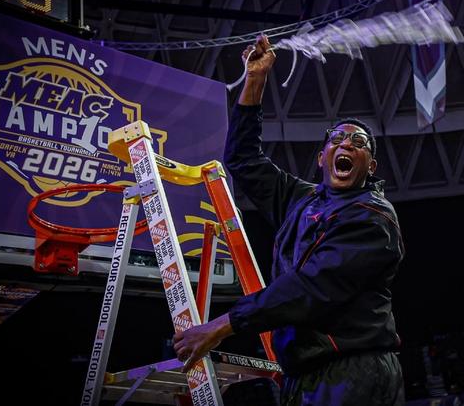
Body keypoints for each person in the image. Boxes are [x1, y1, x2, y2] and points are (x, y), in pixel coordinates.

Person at [172, 35, 406, 405]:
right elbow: (244, 161)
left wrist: (221, 325)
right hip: (304, 375)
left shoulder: (372, 217)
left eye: (358, 142)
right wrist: (256, 81)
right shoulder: (303, 199)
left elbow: (311, 288)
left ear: (370, 166)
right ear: (321, 157)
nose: (346, 144)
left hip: (354, 373)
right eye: (337, 138)